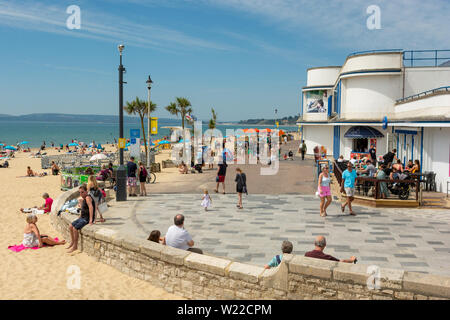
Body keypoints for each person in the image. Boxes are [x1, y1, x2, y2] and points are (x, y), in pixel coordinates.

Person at [67, 185, 95, 253]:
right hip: (82, 217)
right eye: (79, 192)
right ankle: (72, 242)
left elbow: (91, 208)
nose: (81, 194)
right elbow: (83, 209)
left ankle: (75, 246)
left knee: (75, 228)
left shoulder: (88, 198)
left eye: (82, 192)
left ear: (86, 191)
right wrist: (80, 216)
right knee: (70, 226)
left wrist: (91, 220)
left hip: (87, 218)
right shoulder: (84, 198)